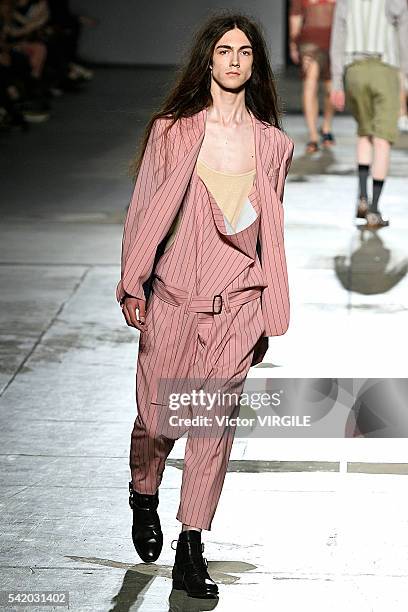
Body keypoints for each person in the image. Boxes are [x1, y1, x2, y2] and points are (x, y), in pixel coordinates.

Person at [116, 12, 294, 600]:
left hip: (238, 301)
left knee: (211, 427)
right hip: (171, 296)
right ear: (208, 60)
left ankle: (191, 546)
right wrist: (132, 282)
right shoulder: (173, 131)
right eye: (225, 50)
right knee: (159, 419)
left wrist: (268, 308)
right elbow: (144, 208)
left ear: (255, 65)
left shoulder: (273, 145)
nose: (235, 60)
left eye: (245, 51)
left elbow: (272, 230)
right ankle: (145, 491)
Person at [330, 0, 408, 229]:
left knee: (364, 133)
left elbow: (338, 38)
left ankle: (362, 197)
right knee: (382, 140)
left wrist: (337, 81)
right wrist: (405, 75)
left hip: (354, 70)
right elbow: (403, 33)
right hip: (385, 68)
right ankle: (374, 210)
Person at [289, 0, 337, 154]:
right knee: (310, 84)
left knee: (331, 88)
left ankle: (326, 126)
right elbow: (295, 15)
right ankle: (313, 136)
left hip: (334, 40)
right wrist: (293, 44)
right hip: (309, 41)